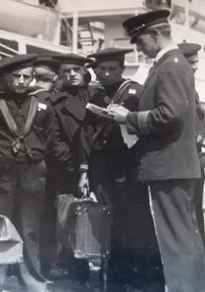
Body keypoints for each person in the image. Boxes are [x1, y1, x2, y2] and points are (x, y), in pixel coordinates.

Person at [107, 9, 205, 292]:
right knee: (185, 237)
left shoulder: (171, 65)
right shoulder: (172, 64)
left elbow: (170, 115)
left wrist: (127, 118)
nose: (139, 47)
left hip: (169, 166)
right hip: (173, 165)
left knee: (175, 240)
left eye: (140, 41)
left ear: (155, 34)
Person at [0, 54, 74, 292]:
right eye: (16, 77)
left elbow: (52, 142)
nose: (22, 81)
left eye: (27, 77)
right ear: (3, 78)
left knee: (30, 229)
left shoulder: (41, 106)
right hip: (1, 173)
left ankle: (32, 280)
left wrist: (76, 170)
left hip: (33, 172)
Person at [79, 48, 161, 290]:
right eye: (101, 69)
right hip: (103, 168)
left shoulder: (136, 92)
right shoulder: (94, 96)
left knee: (137, 223)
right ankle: (116, 279)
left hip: (130, 166)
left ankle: (148, 278)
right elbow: (87, 134)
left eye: (112, 69)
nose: (106, 74)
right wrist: (85, 170)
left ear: (122, 69)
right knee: (111, 224)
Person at [45, 53, 94, 284]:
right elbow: (55, 141)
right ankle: (78, 274)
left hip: (102, 166)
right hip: (71, 170)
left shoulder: (98, 96)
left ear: (84, 71)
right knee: (75, 221)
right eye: (66, 71)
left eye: (76, 69)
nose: (71, 74)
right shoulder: (56, 103)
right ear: (60, 75)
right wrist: (76, 168)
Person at [178, 42, 205, 249]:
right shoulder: (179, 88)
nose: (195, 67)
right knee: (189, 214)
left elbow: (200, 123)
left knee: (196, 211)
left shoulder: (192, 89)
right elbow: (184, 126)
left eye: (196, 62)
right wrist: (203, 141)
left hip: (197, 160)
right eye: (191, 63)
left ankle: (200, 261)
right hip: (186, 160)